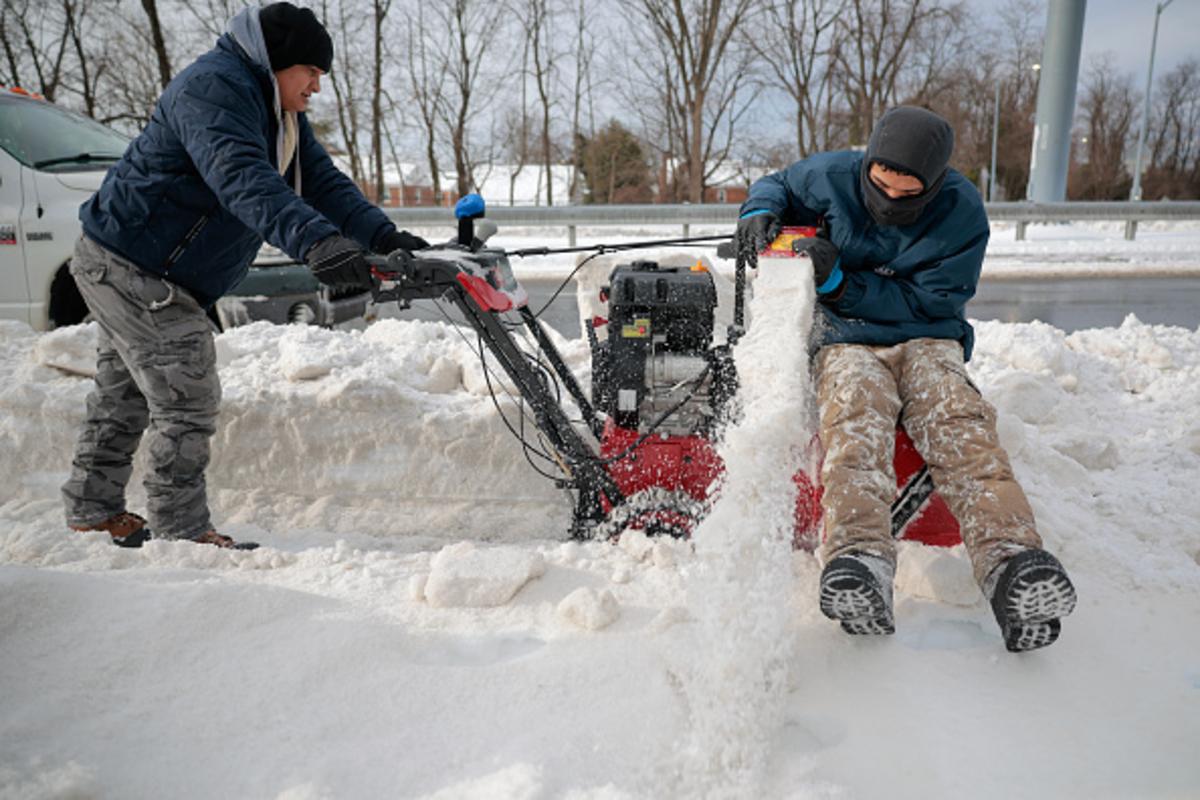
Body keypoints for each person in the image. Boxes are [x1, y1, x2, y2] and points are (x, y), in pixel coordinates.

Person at [62, 2, 426, 550]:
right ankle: (182, 535)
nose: (317, 88)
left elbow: (323, 184)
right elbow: (242, 178)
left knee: (126, 396)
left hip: (142, 264)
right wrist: (317, 242)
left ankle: (91, 511)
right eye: (311, 72)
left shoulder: (276, 114)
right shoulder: (212, 90)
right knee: (186, 394)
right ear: (278, 62)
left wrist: (385, 237)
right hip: (131, 266)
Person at [734, 106, 1077, 652]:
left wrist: (841, 279)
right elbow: (776, 184)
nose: (891, 198)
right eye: (881, 184)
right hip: (846, 337)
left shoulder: (964, 214)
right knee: (854, 420)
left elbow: (928, 302)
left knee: (959, 424)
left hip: (927, 334)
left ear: (935, 185)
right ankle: (860, 559)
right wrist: (759, 210)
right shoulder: (830, 175)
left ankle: (1012, 563)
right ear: (868, 163)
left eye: (908, 191)